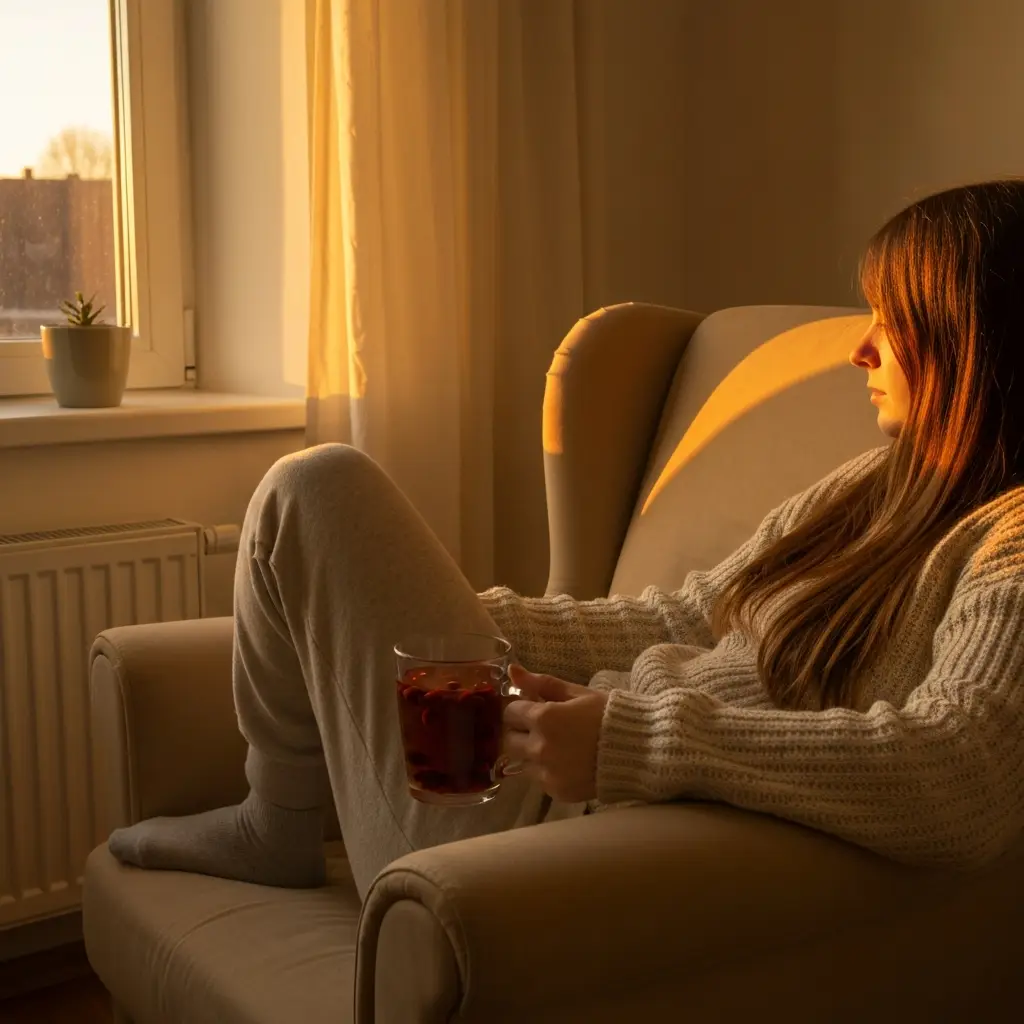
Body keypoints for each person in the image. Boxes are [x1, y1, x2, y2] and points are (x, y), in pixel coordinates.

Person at [109, 179, 1024, 900]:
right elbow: (685, 616)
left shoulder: (1011, 540)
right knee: (311, 498)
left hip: (586, 831)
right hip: (564, 766)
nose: (862, 348)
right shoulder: (879, 483)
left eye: (895, 321)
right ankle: (277, 820)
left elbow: (962, 776)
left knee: (319, 483)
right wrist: (447, 617)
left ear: (979, 343)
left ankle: (275, 821)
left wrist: (632, 741)